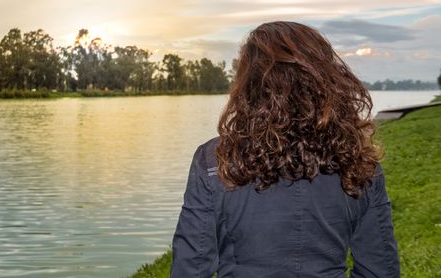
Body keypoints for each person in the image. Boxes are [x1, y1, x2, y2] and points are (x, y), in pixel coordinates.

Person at [170, 21, 400, 277]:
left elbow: (190, 267)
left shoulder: (215, 158)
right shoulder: (357, 159)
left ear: (249, 84)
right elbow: (381, 270)